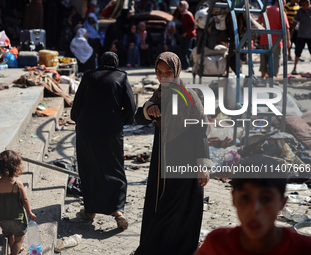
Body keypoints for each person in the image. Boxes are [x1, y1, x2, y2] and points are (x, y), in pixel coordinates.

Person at [134, 52, 211, 255]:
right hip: (162, 160)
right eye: (159, 72)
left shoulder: (187, 95)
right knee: (159, 207)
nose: (164, 76)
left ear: (176, 71)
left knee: (174, 210)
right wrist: (148, 109)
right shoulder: (160, 93)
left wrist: (203, 164)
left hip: (184, 162)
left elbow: (200, 130)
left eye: (168, 72)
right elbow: (138, 118)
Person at [70, 52, 136, 230]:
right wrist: (122, 120)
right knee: (114, 166)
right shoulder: (121, 77)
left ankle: (90, 210)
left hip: (87, 129)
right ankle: (118, 212)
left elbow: (77, 105)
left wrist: (77, 119)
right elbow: (130, 107)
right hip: (111, 130)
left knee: (89, 166)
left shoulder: (89, 76)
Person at [196, 156, 311, 255]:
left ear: (282, 203)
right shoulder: (217, 246)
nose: (254, 209)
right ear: (234, 199)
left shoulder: (303, 249)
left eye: (266, 199)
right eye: (245, 198)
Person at [258, 0, 291, 78]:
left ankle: (262, 78)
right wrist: (288, 40)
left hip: (264, 39)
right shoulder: (281, 13)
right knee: (274, 62)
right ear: (281, 2)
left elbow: (259, 22)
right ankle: (270, 80)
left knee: (264, 60)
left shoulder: (265, 9)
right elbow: (286, 28)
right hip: (276, 42)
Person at [291, 0, 311, 75]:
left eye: (304, 5)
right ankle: (294, 68)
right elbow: (295, 21)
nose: (303, 7)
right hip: (301, 35)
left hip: (310, 36)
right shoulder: (300, 11)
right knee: (297, 53)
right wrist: (292, 30)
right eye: (302, 5)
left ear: (308, 4)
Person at [177, 1, 196, 70]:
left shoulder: (188, 14)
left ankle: (196, 57)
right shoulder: (182, 14)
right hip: (184, 35)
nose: (179, 8)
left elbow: (193, 25)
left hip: (189, 35)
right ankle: (186, 65)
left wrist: (187, 33)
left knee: (187, 50)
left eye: (181, 6)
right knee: (182, 51)